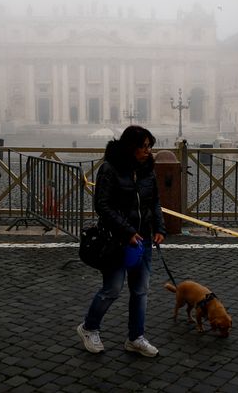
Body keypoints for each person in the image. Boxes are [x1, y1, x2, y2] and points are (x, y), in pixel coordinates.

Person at [77, 125, 166, 357]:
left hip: (143, 238)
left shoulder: (148, 169)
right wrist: (127, 232)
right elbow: (102, 205)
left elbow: (154, 201)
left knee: (140, 290)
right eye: (144, 147)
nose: (148, 151)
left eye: (150, 146)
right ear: (131, 147)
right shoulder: (109, 168)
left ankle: (135, 338)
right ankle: (89, 328)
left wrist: (159, 227)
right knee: (112, 289)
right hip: (118, 240)